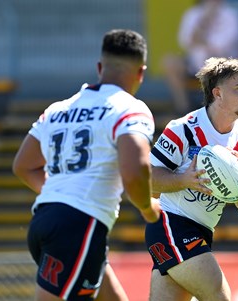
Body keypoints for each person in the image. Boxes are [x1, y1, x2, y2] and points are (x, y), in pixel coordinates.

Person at [12, 29, 160, 301]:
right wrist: (148, 209)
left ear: (100, 67)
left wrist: (59, 195)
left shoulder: (58, 109)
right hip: (79, 225)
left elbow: (23, 166)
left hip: (45, 221)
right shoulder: (129, 108)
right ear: (141, 73)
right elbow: (136, 170)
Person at [146, 57, 238, 301]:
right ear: (217, 93)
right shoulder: (184, 128)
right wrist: (186, 179)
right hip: (170, 224)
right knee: (219, 297)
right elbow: (147, 180)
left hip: (203, 231)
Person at [163, 0, 238, 114]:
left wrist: (199, 40)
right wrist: (204, 21)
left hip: (224, 66)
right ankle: (183, 108)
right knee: (170, 62)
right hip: (194, 64)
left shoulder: (230, 15)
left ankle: (218, 112)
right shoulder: (193, 14)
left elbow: (220, 47)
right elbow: (185, 42)